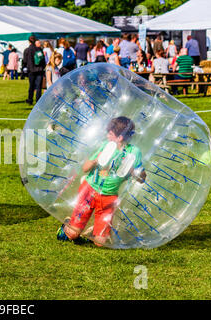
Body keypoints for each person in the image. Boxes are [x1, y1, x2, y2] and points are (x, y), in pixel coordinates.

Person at [56, 116, 146, 247]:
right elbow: (85, 168)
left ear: (119, 137)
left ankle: (95, 233)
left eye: (110, 133)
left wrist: (133, 170)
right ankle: (69, 225)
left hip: (109, 196)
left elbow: (142, 179)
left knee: (100, 243)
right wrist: (95, 160)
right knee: (72, 235)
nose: (107, 136)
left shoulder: (134, 152)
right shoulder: (106, 146)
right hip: (89, 190)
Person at [25, 36, 46, 105]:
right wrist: (42, 68)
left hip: (32, 70)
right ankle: (38, 101)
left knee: (31, 86)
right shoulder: (39, 49)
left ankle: (30, 99)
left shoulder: (29, 49)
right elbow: (43, 60)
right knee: (38, 87)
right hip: (39, 70)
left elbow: (26, 60)